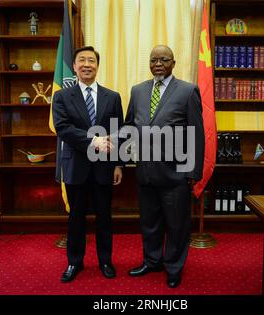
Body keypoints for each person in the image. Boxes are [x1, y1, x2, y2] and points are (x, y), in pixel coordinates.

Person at [124, 45, 205, 288]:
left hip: (175, 174)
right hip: (145, 172)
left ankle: (173, 267)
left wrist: (192, 172)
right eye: (153, 59)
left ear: (174, 62)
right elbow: (129, 126)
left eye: (164, 59)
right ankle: (152, 261)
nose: (158, 63)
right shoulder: (137, 91)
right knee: (149, 222)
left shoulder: (188, 91)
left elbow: (196, 135)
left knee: (177, 226)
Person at [53, 46, 124, 283]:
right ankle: (75, 262)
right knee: (76, 218)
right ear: (74, 67)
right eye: (81, 60)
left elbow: (118, 133)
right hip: (76, 167)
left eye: (91, 60)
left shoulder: (112, 97)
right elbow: (63, 129)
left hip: (104, 167)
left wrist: (118, 165)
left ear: (97, 66)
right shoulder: (62, 96)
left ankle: (105, 260)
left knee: (105, 217)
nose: (86, 64)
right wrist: (93, 140)